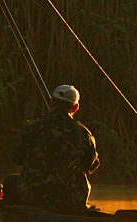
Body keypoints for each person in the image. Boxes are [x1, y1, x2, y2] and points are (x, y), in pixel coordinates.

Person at [7, 84, 100, 212]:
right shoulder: (83, 133)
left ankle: (15, 217)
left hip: (33, 196)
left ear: (52, 102)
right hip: (71, 199)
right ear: (76, 107)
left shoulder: (31, 126)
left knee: (9, 181)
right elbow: (90, 166)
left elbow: (16, 157)